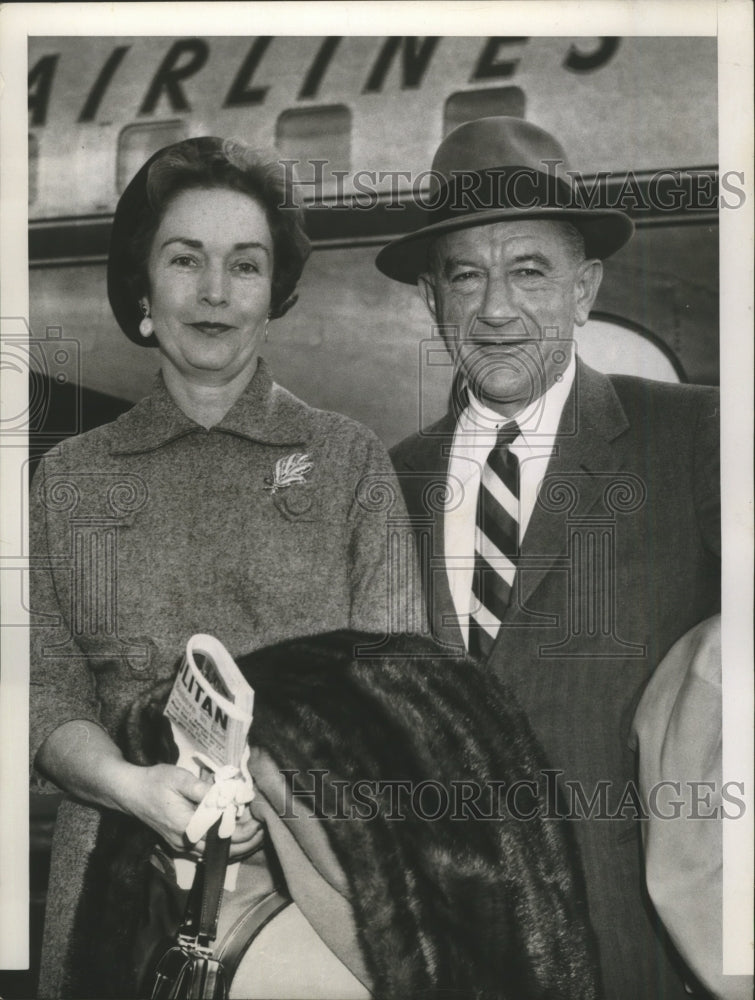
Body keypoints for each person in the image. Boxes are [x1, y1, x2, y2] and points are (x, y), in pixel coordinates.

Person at [29, 136, 419, 998]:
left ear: (273, 293)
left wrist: (275, 798)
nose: (213, 292)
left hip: (317, 893)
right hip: (113, 895)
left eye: (244, 266)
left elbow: (398, 695)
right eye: (184, 260)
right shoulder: (68, 479)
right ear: (142, 286)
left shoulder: (348, 462)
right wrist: (131, 787)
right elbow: (39, 693)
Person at [379, 116, 720, 999]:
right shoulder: (390, 478)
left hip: (637, 955)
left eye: (529, 271)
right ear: (431, 298)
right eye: (466, 275)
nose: (496, 308)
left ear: (584, 288)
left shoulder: (692, 438)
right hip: (444, 956)